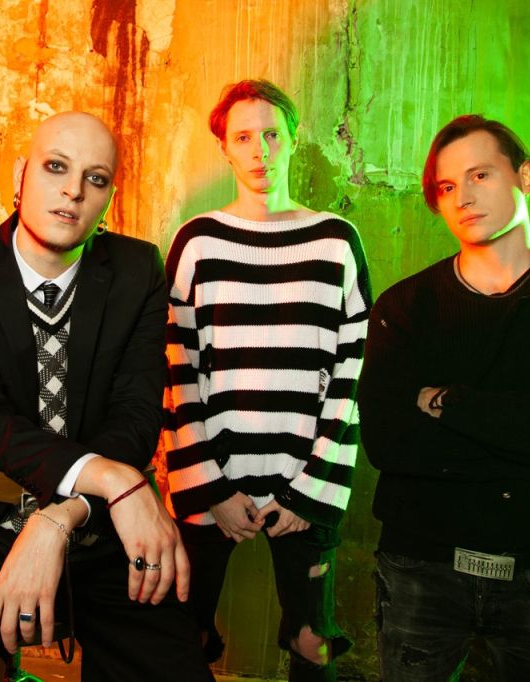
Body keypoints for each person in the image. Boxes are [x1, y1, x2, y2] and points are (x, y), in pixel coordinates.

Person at [0, 111, 214, 682]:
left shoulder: (138, 269)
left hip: (105, 528)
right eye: (55, 167)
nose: (73, 190)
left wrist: (60, 517)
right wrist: (115, 479)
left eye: (95, 178)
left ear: (108, 197)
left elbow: (136, 416)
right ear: (20, 175)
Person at [356, 114, 530, 680]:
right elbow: (388, 443)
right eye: (447, 186)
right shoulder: (404, 308)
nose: (463, 197)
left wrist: (450, 403)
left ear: (526, 176)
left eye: (480, 174)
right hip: (421, 570)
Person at [163, 79, 370, 681]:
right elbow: (177, 370)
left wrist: (311, 492)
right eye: (244, 137)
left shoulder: (336, 240)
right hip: (213, 480)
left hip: (308, 481)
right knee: (184, 636)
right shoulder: (198, 241)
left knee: (312, 642)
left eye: (273, 135)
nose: (260, 151)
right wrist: (209, 488)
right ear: (224, 148)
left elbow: (352, 372)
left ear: (295, 139)